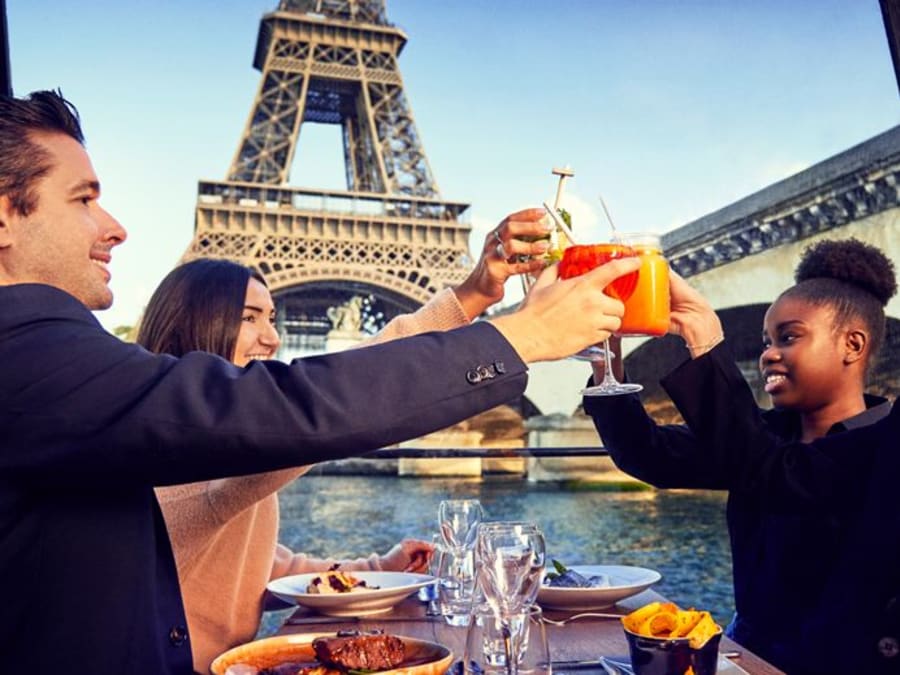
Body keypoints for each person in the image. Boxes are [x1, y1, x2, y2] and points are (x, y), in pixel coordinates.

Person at [0, 89, 639, 675]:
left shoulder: (68, 376)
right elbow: (301, 407)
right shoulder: (28, 352)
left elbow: (247, 551)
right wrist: (518, 336)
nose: (114, 226)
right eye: (83, 199)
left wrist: (471, 297)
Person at [140, 211, 551, 672]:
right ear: (193, 325)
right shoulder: (183, 453)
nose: (272, 337)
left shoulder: (200, 447)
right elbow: (353, 387)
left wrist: (380, 567)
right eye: (249, 318)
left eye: (272, 318)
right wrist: (475, 301)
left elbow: (256, 569)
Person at [584, 238, 897, 674]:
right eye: (767, 341)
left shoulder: (885, 444)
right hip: (744, 654)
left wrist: (705, 342)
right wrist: (606, 363)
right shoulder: (763, 436)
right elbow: (649, 454)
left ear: (853, 345)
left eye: (789, 337)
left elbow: (777, 472)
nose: (768, 354)